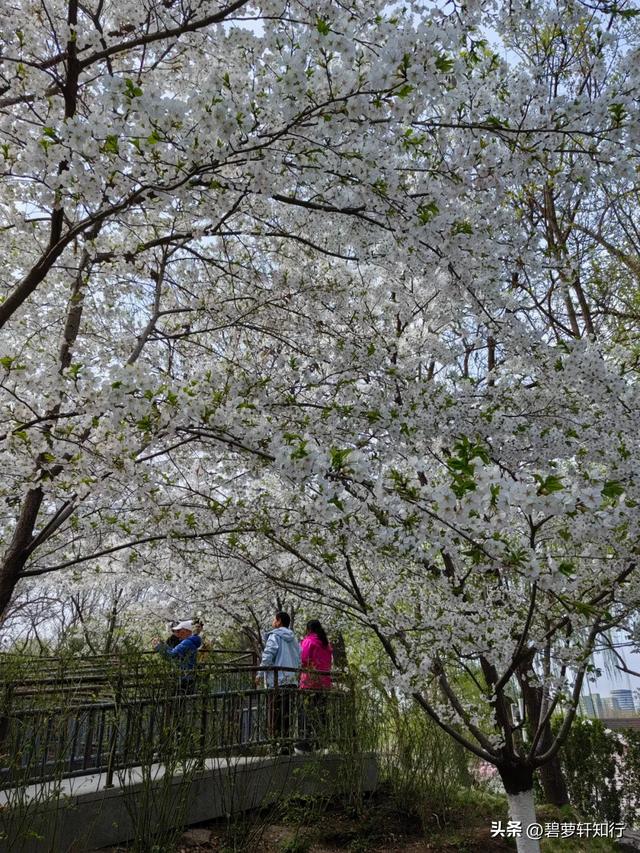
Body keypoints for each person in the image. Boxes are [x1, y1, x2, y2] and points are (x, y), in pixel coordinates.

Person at [258, 611, 301, 753]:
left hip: (278, 680)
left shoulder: (275, 636)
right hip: (292, 680)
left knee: (275, 713)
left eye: (274, 619)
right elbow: (300, 657)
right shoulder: (294, 639)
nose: (272, 621)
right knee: (287, 713)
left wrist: (260, 673)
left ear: (279, 621)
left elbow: (268, 655)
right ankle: (287, 744)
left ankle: (276, 744)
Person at [298, 620, 333, 753]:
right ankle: (322, 744)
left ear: (309, 629)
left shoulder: (308, 641)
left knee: (305, 713)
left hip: (310, 683)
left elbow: (303, 659)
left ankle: (304, 744)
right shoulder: (326, 644)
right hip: (324, 683)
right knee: (322, 713)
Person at [152, 619, 203, 694]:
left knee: (179, 699)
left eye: (179, 631)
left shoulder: (186, 642)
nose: (177, 634)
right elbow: (174, 651)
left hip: (184, 677)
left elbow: (172, 655)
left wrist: (159, 647)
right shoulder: (190, 641)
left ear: (186, 631)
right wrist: (163, 646)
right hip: (189, 675)